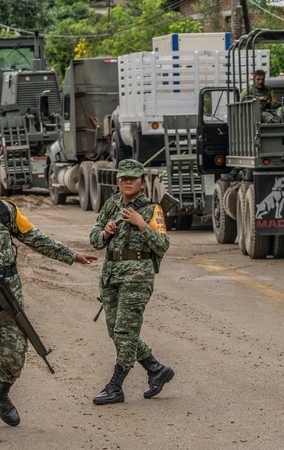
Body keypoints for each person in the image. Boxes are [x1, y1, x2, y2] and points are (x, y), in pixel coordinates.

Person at [0, 165, 98, 438]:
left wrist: (71, 255)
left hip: (9, 297)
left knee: (15, 358)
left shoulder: (4, 210)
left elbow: (34, 237)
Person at [89, 159, 173, 405]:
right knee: (116, 331)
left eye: (132, 178)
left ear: (142, 182)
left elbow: (163, 245)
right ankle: (156, 369)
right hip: (111, 275)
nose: (127, 182)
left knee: (125, 331)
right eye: (123, 178)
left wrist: (142, 224)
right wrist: (105, 233)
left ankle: (115, 386)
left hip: (137, 277)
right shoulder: (111, 204)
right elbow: (94, 239)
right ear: (118, 181)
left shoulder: (152, 209)